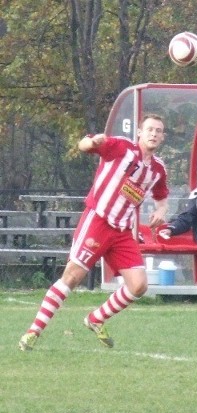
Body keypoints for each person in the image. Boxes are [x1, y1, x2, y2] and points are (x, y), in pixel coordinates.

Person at [18, 114, 170, 351]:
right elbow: (84, 145)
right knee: (72, 278)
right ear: (139, 132)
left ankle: (96, 318)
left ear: (163, 137)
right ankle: (33, 331)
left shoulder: (158, 169)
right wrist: (92, 142)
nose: (154, 134)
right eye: (149, 129)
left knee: (139, 285)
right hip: (98, 220)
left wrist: (162, 209)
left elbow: (161, 196)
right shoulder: (121, 147)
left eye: (158, 131)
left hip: (121, 232)